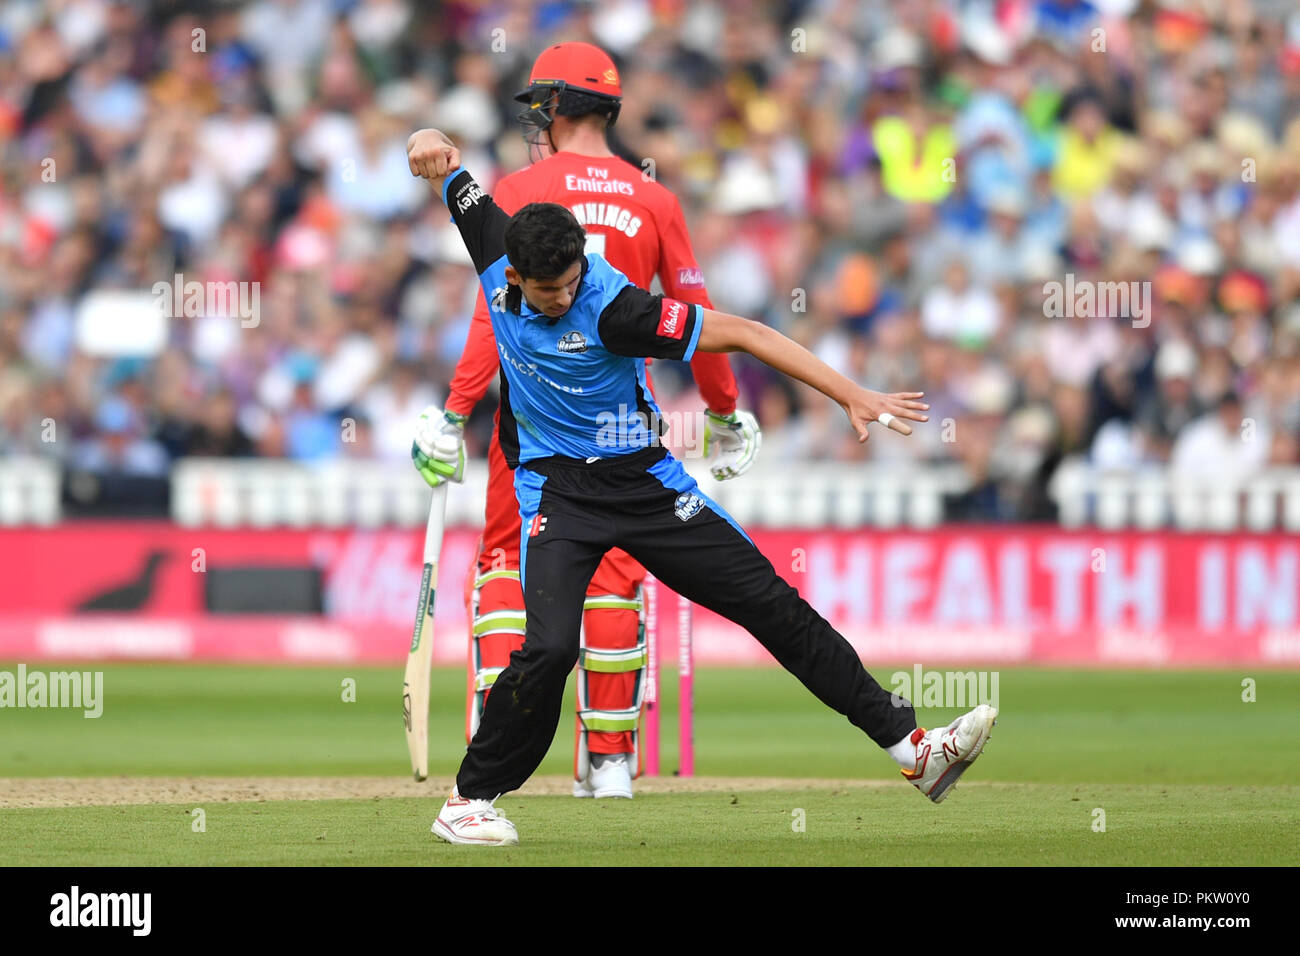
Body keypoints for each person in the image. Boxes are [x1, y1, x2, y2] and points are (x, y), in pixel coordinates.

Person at [408, 129, 998, 846]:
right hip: (556, 494)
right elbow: (450, 175)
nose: (564, 296)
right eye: (548, 290)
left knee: (771, 604)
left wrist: (851, 392)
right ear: (513, 275)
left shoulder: (618, 310)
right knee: (551, 649)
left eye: (571, 281)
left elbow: (746, 333)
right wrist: (430, 146)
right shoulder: (497, 246)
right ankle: (471, 799)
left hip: (647, 485)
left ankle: (915, 751)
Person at [410, 42, 760, 800]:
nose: (539, 119)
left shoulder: (521, 185)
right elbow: (698, 319)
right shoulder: (654, 196)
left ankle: (491, 749)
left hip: (533, 425)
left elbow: (490, 318)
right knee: (617, 572)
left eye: (543, 107)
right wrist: (726, 411)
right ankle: (608, 764)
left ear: (559, 108)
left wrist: (455, 411)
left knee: (508, 564)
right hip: (624, 427)